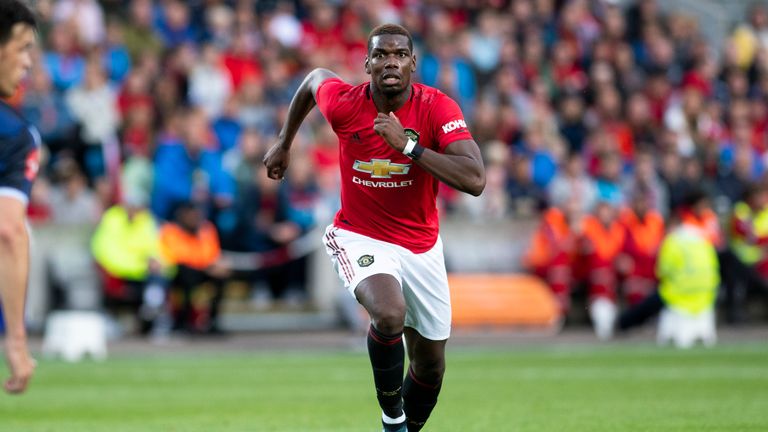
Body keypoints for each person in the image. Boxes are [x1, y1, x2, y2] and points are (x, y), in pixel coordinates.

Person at [263, 24, 485, 432]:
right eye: (380, 55)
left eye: (400, 54)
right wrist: (284, 141)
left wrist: (410, 146)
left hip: (420, 246)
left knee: (431, 366)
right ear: (366, 64)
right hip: (358, 234)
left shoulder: (437, 109)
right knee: (388, 313)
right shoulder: (347, 104)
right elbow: (314, 80)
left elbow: (475, 180)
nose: (390, 62)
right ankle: (392, 418)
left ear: (413, 64)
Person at [0, 0, 39, 395]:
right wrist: (16, 341)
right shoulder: (13, 136)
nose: (28, 63)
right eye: (24, 47)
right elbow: (8, 232)